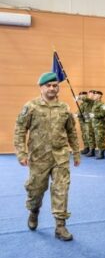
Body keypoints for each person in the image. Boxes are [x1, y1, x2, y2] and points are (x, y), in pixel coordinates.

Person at [14, 72, 80, 241]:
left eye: (55, 85)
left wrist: (76, 152)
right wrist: (21, 153)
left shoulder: (64, 108)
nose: (52, 88)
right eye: (48, 85)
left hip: (60, 157)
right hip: (39, 157)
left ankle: (60, 226)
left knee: (61, 189)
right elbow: (20, 130)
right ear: (41, 87)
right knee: (35, 190)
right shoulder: (31, 106)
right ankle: (34, 210)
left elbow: (71, 131)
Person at [90, 90, 105, 160]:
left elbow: (104, 113)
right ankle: (99, 151)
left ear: (99, 96)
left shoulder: (102, 104)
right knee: (97, 138)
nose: (94, 96)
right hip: (95, 124)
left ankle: (101, 153)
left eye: (95, 95)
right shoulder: (95, 104)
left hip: (100, 124)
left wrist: (94, 115)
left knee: (100, 138)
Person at [83, 90, 97, 157]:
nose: (90, 95)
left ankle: (92, 150)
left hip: (91, 120)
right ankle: (90, 149)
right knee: (88, 135)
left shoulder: (92, 101)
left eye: (91, 94)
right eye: (89, 94)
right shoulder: (88, 102)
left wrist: (79, 97)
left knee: (90, 135)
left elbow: (85, 99)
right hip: (87, 120)